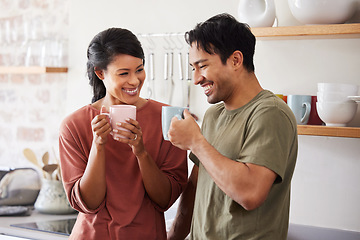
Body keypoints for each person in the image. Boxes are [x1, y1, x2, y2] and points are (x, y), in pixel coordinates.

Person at [167, 13, 298, 240]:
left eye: (203, 66)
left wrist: (196, 142)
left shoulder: (270, 113)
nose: (196, 78)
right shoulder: (213, 115)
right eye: (193, 68)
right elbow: (195, 186)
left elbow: (250, 193)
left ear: (236, 60)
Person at [59, 27, 188, 240]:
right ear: (100, 73)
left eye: (139, 69)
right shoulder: (74, 125)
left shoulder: (169, 118)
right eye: (124, 73)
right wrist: (98, 144)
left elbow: (166, 199)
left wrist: (141, 151)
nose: (135, 81)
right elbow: (88, 203)